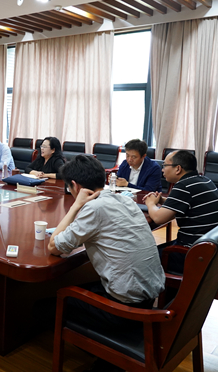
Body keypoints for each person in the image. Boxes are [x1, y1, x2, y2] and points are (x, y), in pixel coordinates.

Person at [48, 155, 165, 372]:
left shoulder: (94, 208)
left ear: (75, 186)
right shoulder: (125, 200)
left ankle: (108, 356)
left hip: (125, 309)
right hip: (149, 298)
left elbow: (54, 247)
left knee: (50, 304)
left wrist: (76, 206)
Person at [145, 150, 218, 273]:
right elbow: (187, 204)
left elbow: (158, 218)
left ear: (178, 169)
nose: (162, 169)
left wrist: (150, 203)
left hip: (194, 254)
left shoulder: (183, 186)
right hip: (213, 251)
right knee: (153, 250)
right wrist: (163, 200)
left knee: (144, 258)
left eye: (165, 165)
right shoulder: (203, 180)